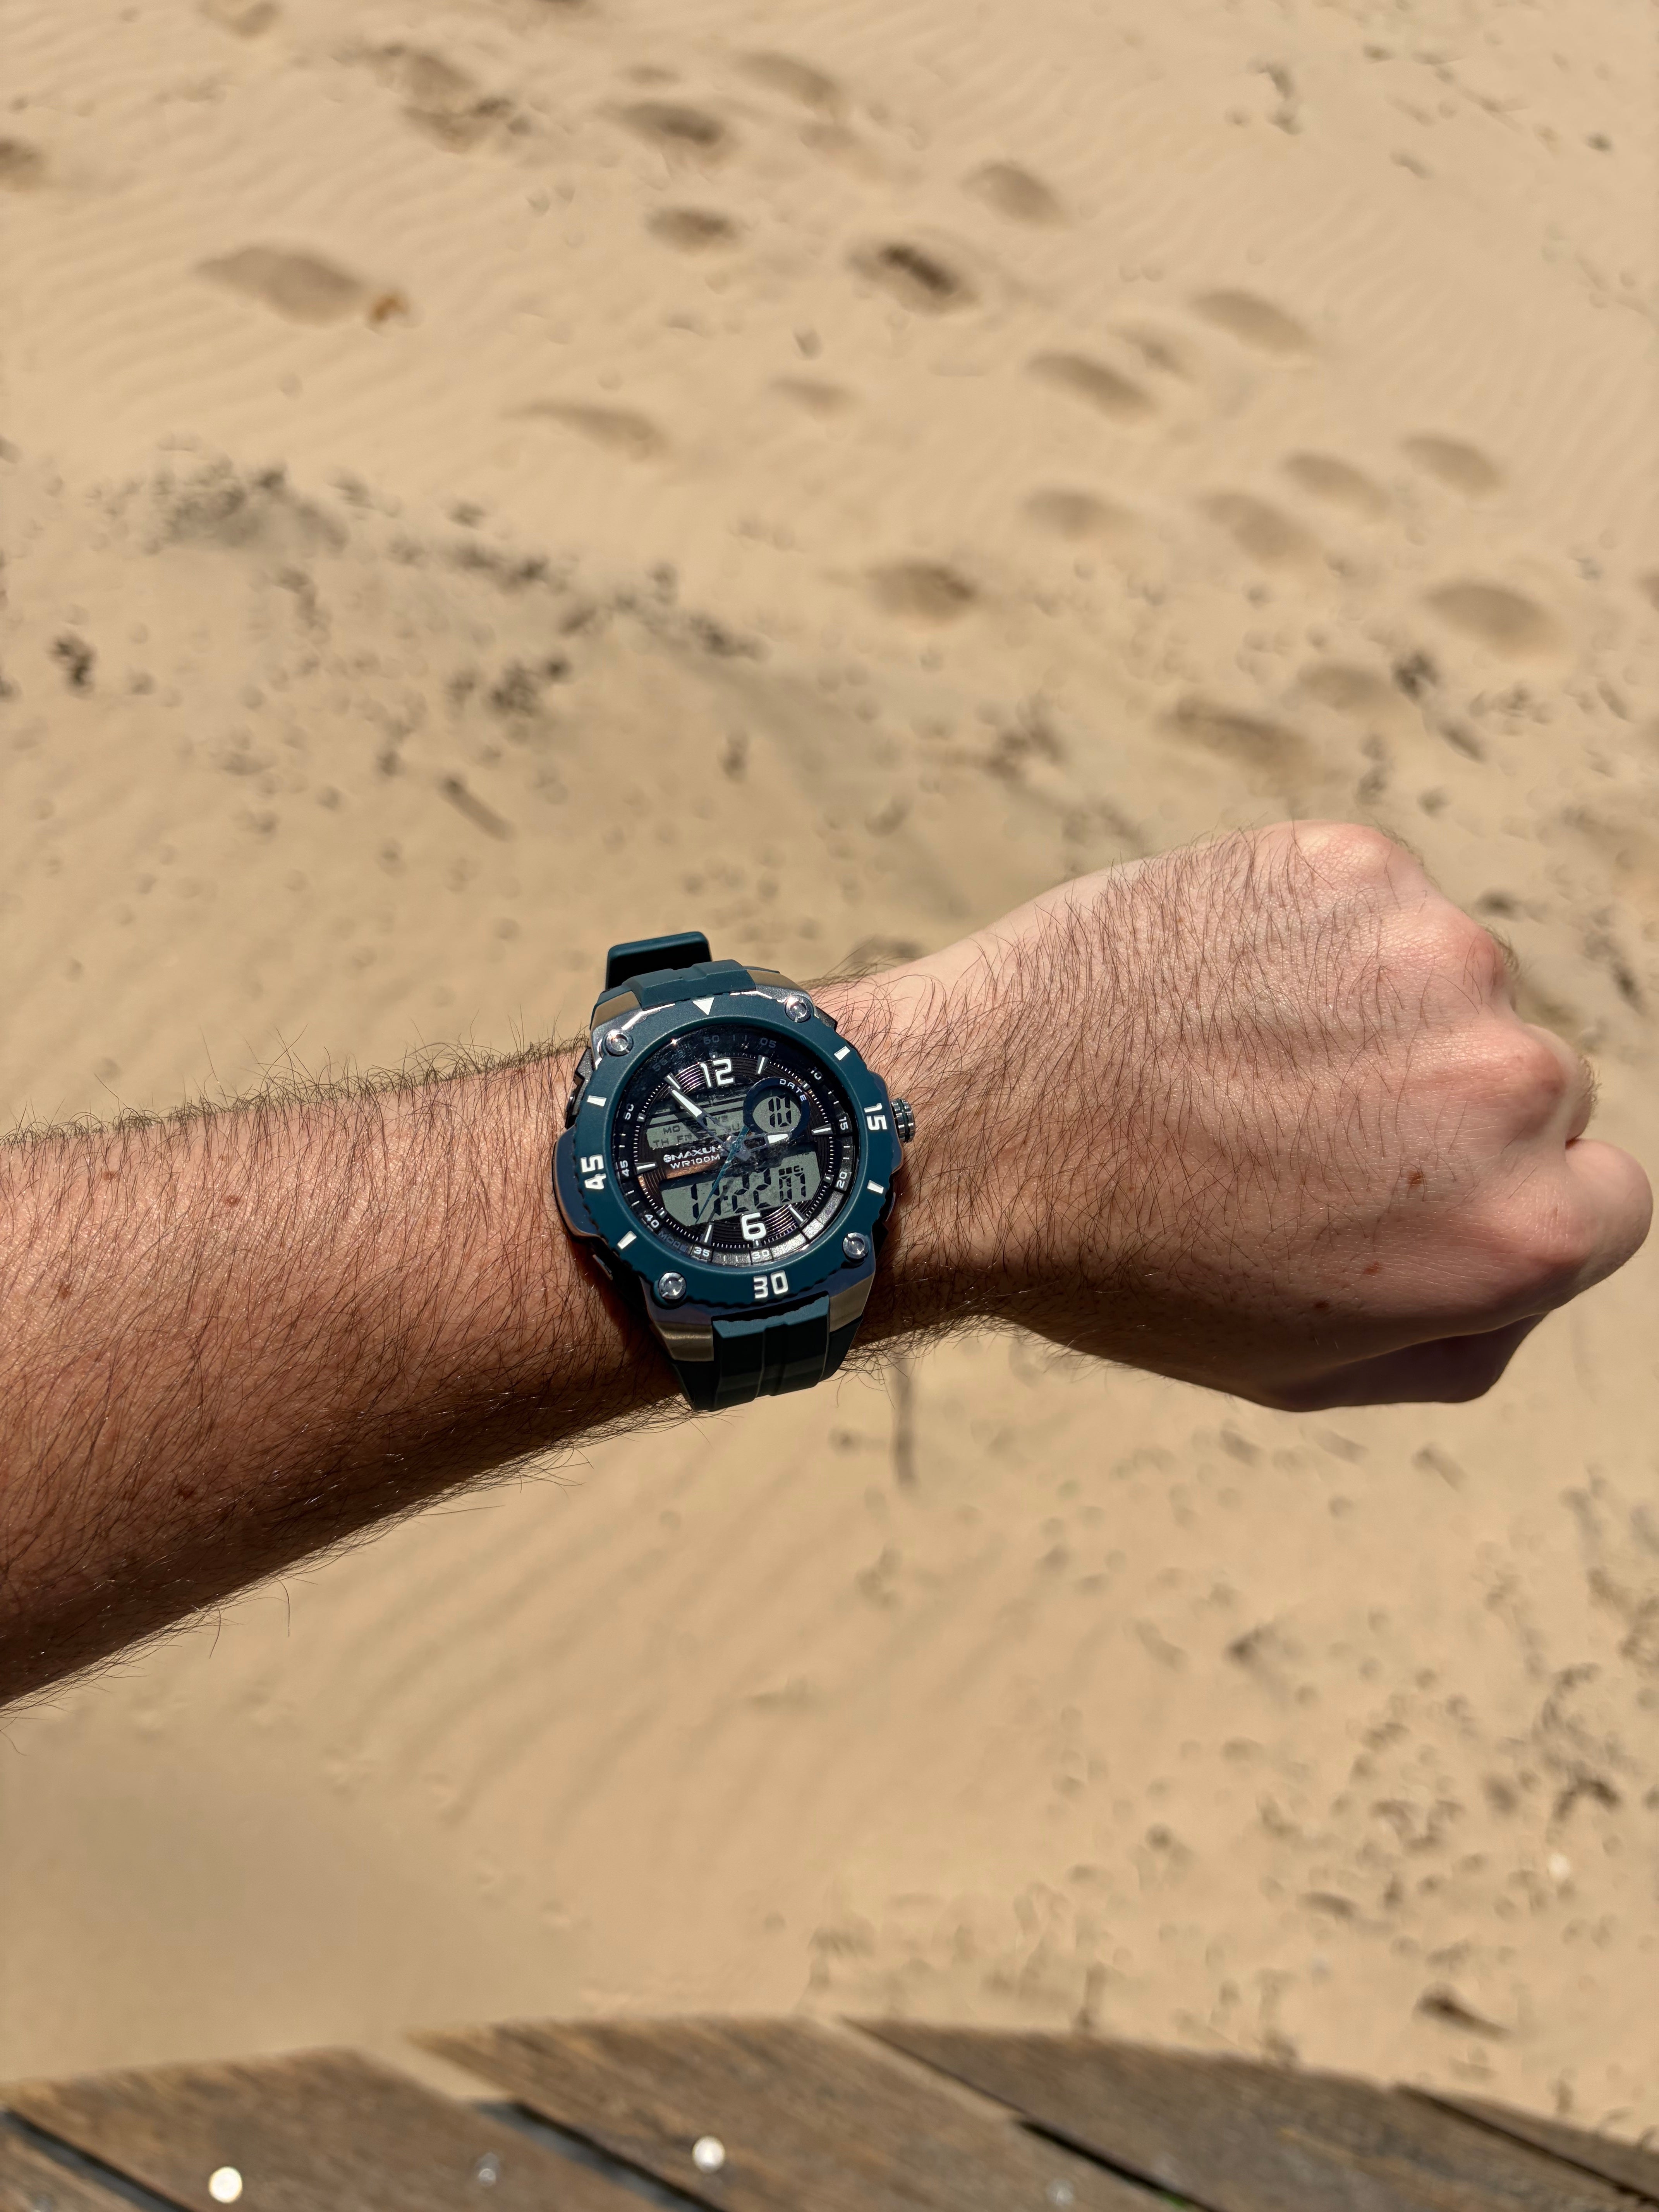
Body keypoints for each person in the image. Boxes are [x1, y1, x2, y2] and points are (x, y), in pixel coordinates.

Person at [0, 822, 1647, 1706]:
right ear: (602, 1173)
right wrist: (1021, 1114)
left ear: (839, 1087)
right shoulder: (634, 1168)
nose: (706, 1165)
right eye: (658, 1166)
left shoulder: (789, 1117)